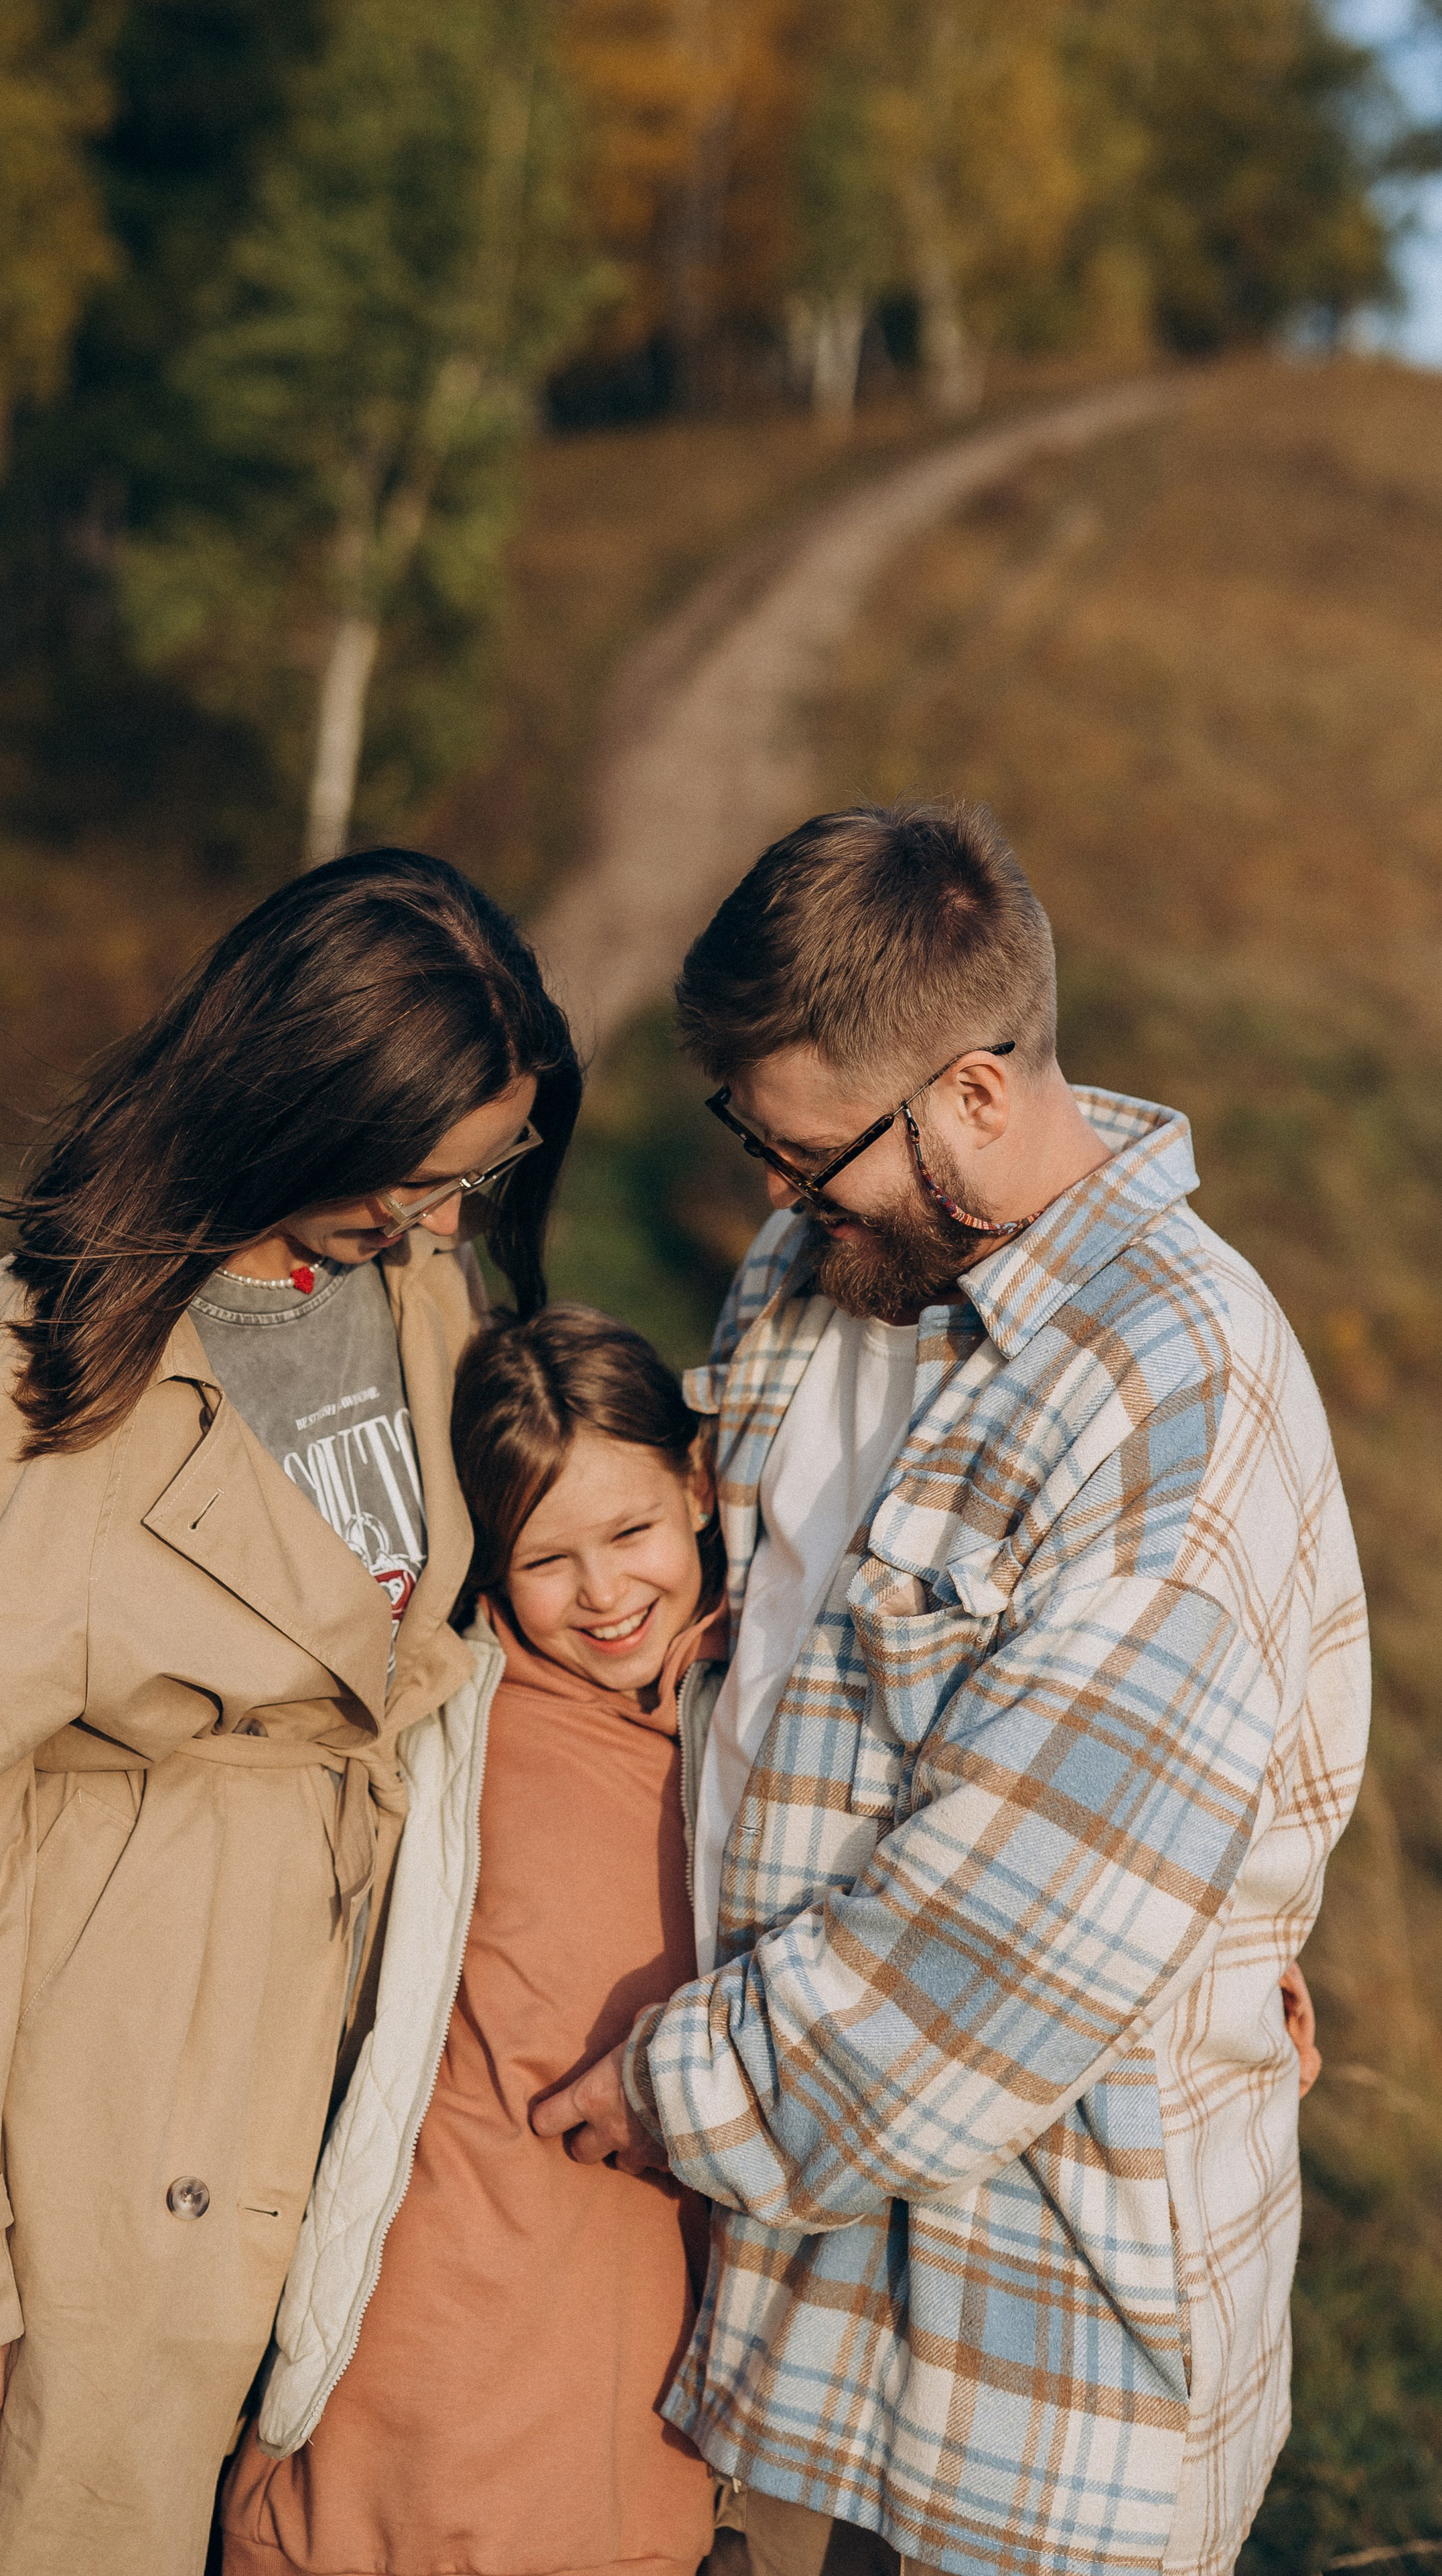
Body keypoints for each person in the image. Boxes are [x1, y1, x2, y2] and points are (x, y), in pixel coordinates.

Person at [535, 804, 1370, 2576]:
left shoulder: (1172, 1395)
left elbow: (1007, 1937)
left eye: (808, 1153)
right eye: (750, 1143)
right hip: (803, 2310)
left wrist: (682, 2095)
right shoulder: (822, 1273)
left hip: (1040, 2354)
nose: (770, 1196)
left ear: (978, 1097)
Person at [0, 849, 580, 2576]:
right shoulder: (79, 1340)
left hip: (303, 2063)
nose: (437, 1224)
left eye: (476, 1181)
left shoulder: (414, 1286)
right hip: (83, 2085)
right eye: (411, 1179)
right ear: (293, 1106)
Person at [219, 1306, 726, 2576]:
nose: (607, 1594)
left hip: (642, 2342)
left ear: (701, 1489)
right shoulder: (458, 1731)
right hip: (441, 2330)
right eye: (550, 1559)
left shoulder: (765, 1706)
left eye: (632, 1532)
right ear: (491, 1565)